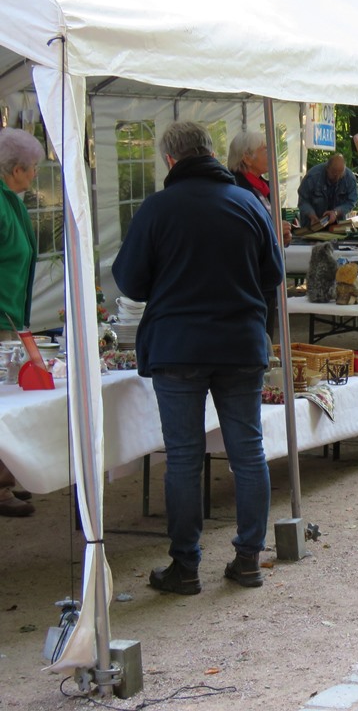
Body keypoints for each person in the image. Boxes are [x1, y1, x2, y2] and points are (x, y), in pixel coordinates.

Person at [113, 122, 284, 594]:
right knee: (248, 453)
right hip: (240, 344)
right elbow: (273, 276)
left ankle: (185, 567)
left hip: (178, 347)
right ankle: (248, 559)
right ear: (209, 152)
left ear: (170, 160)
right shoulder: (250, 204)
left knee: (185, 459)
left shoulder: (157, 208)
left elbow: (129, 282)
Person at [0, 128, 44, 519]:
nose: (34, 178)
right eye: (32, 171)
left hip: (10, 313)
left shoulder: (10, 199)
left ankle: (4, 479)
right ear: (15, 170)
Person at [228, 130, 290, 341]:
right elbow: (240, 233)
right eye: (265, 149)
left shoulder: (264, 186)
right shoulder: (234, 188)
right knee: (254, 339)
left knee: (265, 337)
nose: (271, 153)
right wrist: (274, 231)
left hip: (265, 276)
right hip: (246, 279)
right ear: (246, 157)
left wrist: (282, 235)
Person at [296, 154, 358, 228]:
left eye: (340, 175)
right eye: (334, 174)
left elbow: (351, 201)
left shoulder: (349, 178)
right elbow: (303, 201)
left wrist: (336, 212)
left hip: (337, 225)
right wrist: (311, 215)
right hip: (312, 224)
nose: (337, 178)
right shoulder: (313, 176)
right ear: (327, 168)